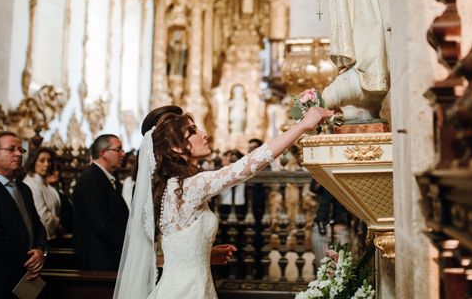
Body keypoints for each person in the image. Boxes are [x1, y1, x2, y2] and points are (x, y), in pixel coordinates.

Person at [113, 104, 333, 299]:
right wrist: (302, 126)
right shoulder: (188, 186)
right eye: (192, 132)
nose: (204, 134)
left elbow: (164, 255)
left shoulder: (172, 187)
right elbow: (247, 166)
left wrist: (202, 253)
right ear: (176, 148)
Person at [0, 131, 47, 298]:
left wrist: (41, 250)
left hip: (25, 276)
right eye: (12, 149)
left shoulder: (24, 189)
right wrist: (29, 260)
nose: (19, 154)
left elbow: (37, 225)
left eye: (21, 150)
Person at [73, 134, 129, 270]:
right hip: (99, 260)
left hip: (109, 256)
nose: (123, 154)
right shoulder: (91, 179)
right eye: (118, 149)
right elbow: (102, 225)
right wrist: (130, 245)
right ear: (103, 152)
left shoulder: (105, 178)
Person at [22, 147, 63, 241]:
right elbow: (42, 215)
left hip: (52, 237)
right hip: (42, 239)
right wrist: (57, 225)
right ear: (33, 162)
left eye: (49, 161)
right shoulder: (31, 184)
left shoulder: (44, 184)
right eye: (42, 160)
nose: (46, 164)